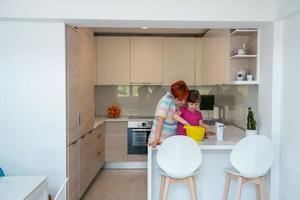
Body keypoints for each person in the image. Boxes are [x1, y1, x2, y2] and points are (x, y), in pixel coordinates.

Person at [148, 80, 189, 147]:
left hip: (169, 142)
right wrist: (157, 139)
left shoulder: (177, 103)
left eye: (185, 99)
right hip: (158, 142)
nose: (183, 102)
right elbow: (160, 120)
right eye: (180, 100)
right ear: (173, 97)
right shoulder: (165, 101)